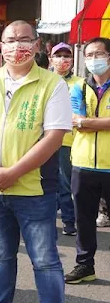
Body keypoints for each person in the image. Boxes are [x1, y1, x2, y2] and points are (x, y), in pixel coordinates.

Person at [0, 21, 71, 303]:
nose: (16, 46)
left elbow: (54, 137)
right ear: (1, 46)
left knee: (45, 261)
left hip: (34, 190)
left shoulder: (52, 84)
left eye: (24, 39)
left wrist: (13, 173)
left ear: (37, 45)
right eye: (10, 40)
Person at [64, 37, 110, 285]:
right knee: (84, 219)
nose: (93, 59)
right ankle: (85, 266)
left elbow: (82, 121)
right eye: (89, 54)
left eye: (98, 54)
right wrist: (89, 122)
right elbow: (73, 119)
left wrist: (87, 122)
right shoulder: (79, 87)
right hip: (82, 164)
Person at [50, 42, 83, 236]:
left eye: (67, 56)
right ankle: (60, 219)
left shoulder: (80, 83)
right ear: (51, 58)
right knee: (51, 182)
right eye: (58, 56)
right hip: (47, 139)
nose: (63, 60)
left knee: (66, 183)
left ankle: (69, 220)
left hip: (71, 141)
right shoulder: (45, 80)